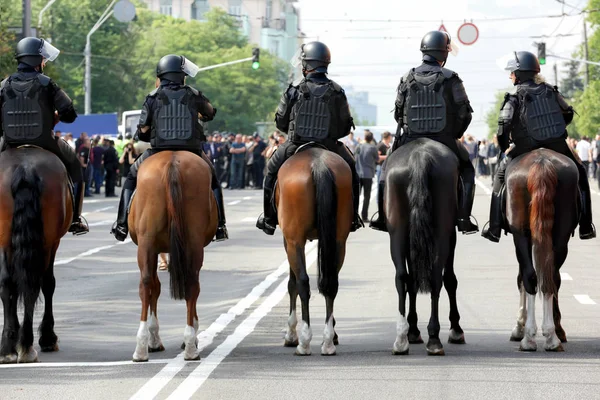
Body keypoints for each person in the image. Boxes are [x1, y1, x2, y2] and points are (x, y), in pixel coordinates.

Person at [110, 54, 228, 242]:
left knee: (131, 178)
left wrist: (147, 134)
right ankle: (220, 225)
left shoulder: (151, 97)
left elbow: (142, 130)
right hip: (192, 151)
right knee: (213, 180)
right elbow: (210, 112)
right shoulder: (194, 94)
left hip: (157, 150)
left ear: (162, 75)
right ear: (181, 75)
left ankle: (122, 224)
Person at [369, 31, 478, 234]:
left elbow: (398, 114)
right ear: (443, 54)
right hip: (445, 140)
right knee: (468, 171)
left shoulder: (406, 78)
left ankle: (383, 217)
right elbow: (464, 114)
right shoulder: (452, 78)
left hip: (409, 139)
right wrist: (454, 134)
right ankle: (463, 218)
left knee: (385, 173)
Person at [481, 50, 595, 242]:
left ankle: (494, 227)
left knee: (500, 177)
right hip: (557, 145)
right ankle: (585, 225)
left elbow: (503, 126)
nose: (510, 75)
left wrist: (504, 147)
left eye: (512, 72)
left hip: (524, 147)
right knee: (581, 174)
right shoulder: (550, 90)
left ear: (519, 74)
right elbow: (567, 113)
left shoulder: (514, 96)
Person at [255, 41, 363, 235]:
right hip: (330, 146)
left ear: (306, 65)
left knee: (271, 172)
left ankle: (269, 218)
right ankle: (353, 217)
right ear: (325, 63)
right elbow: (345, 126)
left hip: (295, 144)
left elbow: (281, 122)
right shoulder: (338, 91)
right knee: (353, 171)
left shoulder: (293, 89)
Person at [0, 37, 88, 234]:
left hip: (9, 142)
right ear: (36, 60)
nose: (44, 63)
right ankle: (75, 220)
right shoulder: (47, 83)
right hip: (45, 141)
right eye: (43, 59)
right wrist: (55, 116)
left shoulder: (4, 85)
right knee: (75, 168)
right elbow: (70, 114)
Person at [355, 131, 379, 220]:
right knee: (366, 196)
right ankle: (364, 216)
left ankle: (355, 215)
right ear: (371, 139)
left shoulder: (359, 146)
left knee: (357, 195)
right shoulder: (373, 147)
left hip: (358, 172)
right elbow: (377, 159)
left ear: (364, 138)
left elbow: (355, 157)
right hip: (368, 174)